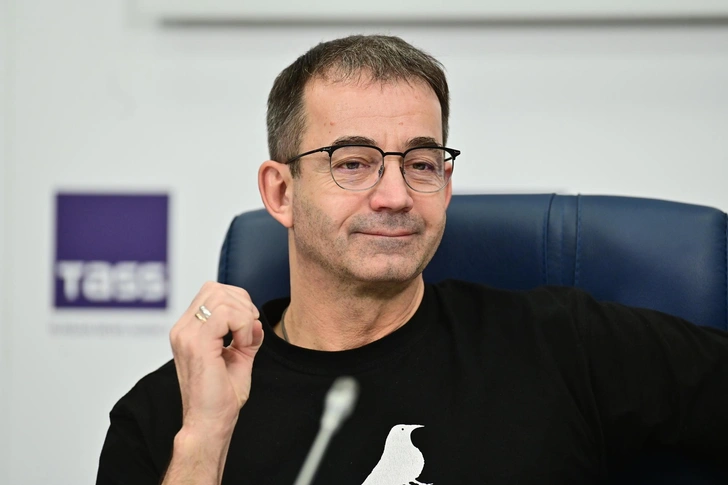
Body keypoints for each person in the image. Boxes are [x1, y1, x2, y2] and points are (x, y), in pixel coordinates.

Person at [96, 35, 728, 485]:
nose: (396, 196)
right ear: (281, 192)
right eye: (353, 163)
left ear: (445, 187)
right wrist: (205, 439)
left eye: (422, 163)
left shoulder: (564, 344)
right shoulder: (169, 414)